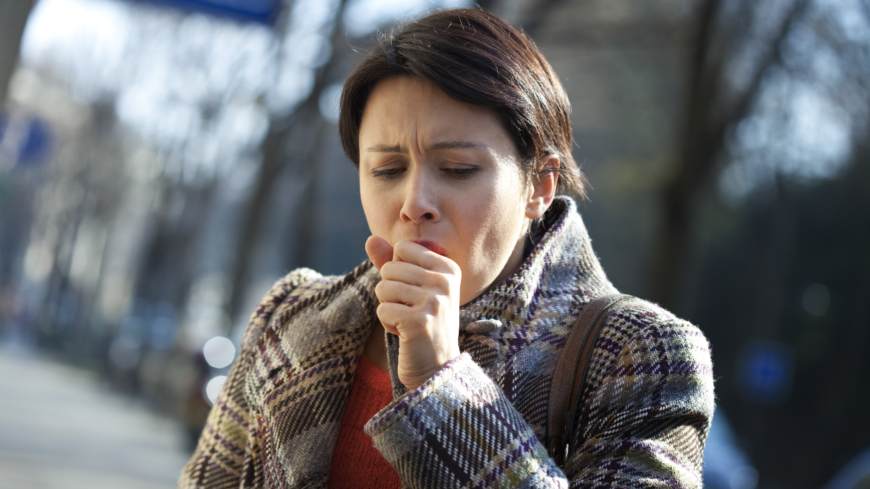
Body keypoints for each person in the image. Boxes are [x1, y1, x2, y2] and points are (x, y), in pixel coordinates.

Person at [178, 7, 714, 489]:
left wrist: (442, 385)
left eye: (458, 169)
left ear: (541, 184)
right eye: (387, 169)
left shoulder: (642, 356)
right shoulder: (290, 315)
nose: (415, 202)